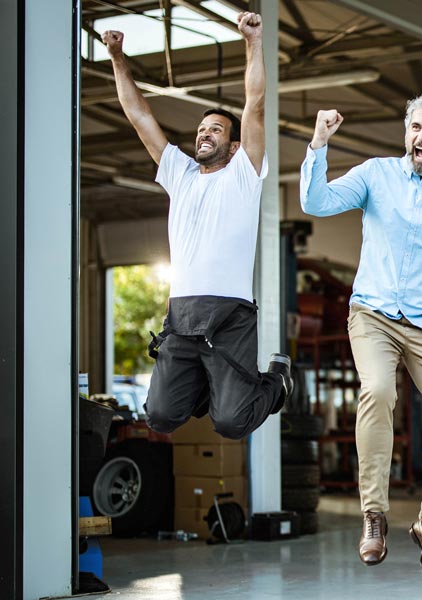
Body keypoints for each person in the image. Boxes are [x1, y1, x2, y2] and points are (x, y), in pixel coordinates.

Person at [299, 93, 422, 587]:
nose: (421, 137)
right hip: (373, 313)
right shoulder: (375, 174)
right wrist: (319, 143)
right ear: (405, 131)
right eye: (416, 127)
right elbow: (315, 201)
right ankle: (374, 515)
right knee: (378, 392)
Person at [103, 12, 292, 441]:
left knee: (230, 423)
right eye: (202, 128)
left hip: (230, 317)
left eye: (216, 130)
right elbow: (138, 115)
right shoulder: (180, 173)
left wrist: (253, 42)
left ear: (235, 143)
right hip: (182, 315)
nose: (205, 134)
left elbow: (255, 103)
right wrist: (116, 57)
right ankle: (210, 385)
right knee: (161, 416)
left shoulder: (244, 172)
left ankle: (277, 384)